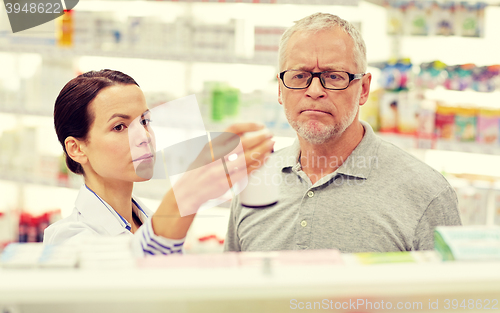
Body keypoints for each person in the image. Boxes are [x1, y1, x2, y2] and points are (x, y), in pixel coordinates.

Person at [224, 13, 461, 253]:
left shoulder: (426, 192)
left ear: (364, 89)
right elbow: (231, 285)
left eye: (334, 76)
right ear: (280, 89)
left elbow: (451, 290)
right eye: (299, 76)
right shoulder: (254, 179)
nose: (314, 91)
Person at [44, 69, 274, 256]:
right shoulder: (67, 240)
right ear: (76, 148)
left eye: (144, 121)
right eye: (119, 127)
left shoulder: (147, 219)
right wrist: (186, 195)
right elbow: (129, 282)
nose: (144, 137)